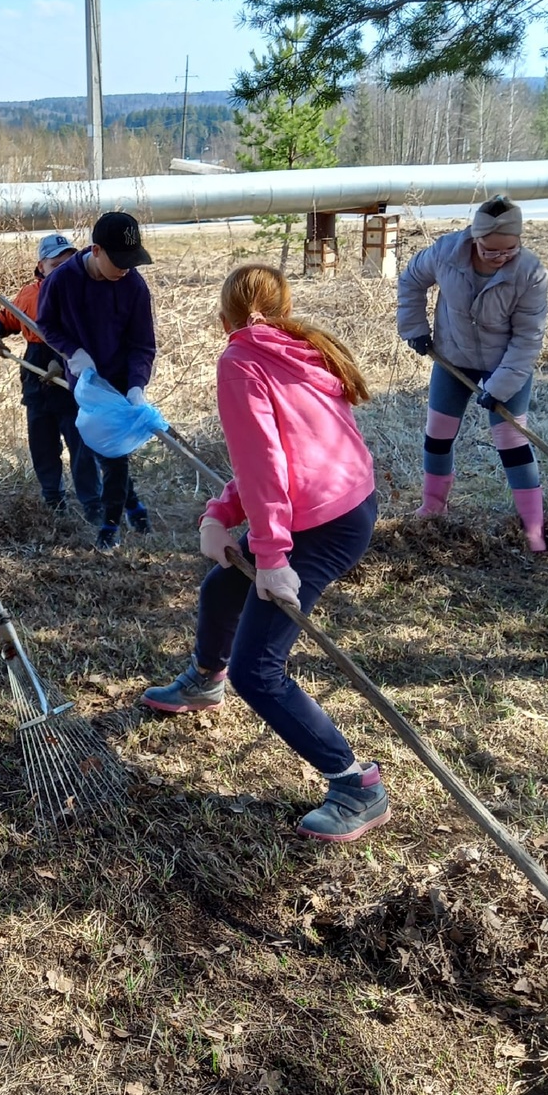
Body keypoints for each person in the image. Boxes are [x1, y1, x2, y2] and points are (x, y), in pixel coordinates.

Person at [141, 265, 387, 844]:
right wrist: (221, 515)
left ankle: (355, 785)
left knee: (258, 669)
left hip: (319, 525)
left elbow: (266, 467)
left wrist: (272, 556)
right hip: (344, 504)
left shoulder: (241, 360)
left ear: (225, 315)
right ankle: (204, 679)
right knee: (221, 587)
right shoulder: (301, 346)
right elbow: (275, 457)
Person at [397, 195, 548, 552]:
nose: (501, 258)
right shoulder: (446, 253)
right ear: (474, 238)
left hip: (507, 363)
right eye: (491, 251)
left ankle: (534, 528)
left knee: (512, 442)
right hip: (453, 358)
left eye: (509, 249)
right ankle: (434, 506)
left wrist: (499, 387)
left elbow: (528, 338)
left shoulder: (529, 272)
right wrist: (415, 328)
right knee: (438, 434)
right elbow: (411, 280)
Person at [36, 211, 157, 551]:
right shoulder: (61, 281)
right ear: (97, 250)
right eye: (118, 261)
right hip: (87, 382)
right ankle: (132, 507)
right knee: (108, 453)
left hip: (120, 382)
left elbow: (143, 344)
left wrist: (136, 385)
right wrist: (72, 353)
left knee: (114, 455)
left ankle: (111, 524)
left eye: (131, 261)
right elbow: (47, 324)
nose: (125, 268)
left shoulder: (133, 285)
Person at [0, 234, 104, 522]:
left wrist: (62, 364)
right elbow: (4, 320)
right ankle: (53, 501)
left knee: (81, 443)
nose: (61, 270)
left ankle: (93, 505)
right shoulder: (28, 295)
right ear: (42, 266)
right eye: (55, 264)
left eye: (67, 263)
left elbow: (94, 338)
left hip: (73, 373)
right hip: (34, 371)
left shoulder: (83, 293)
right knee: (42, 442)